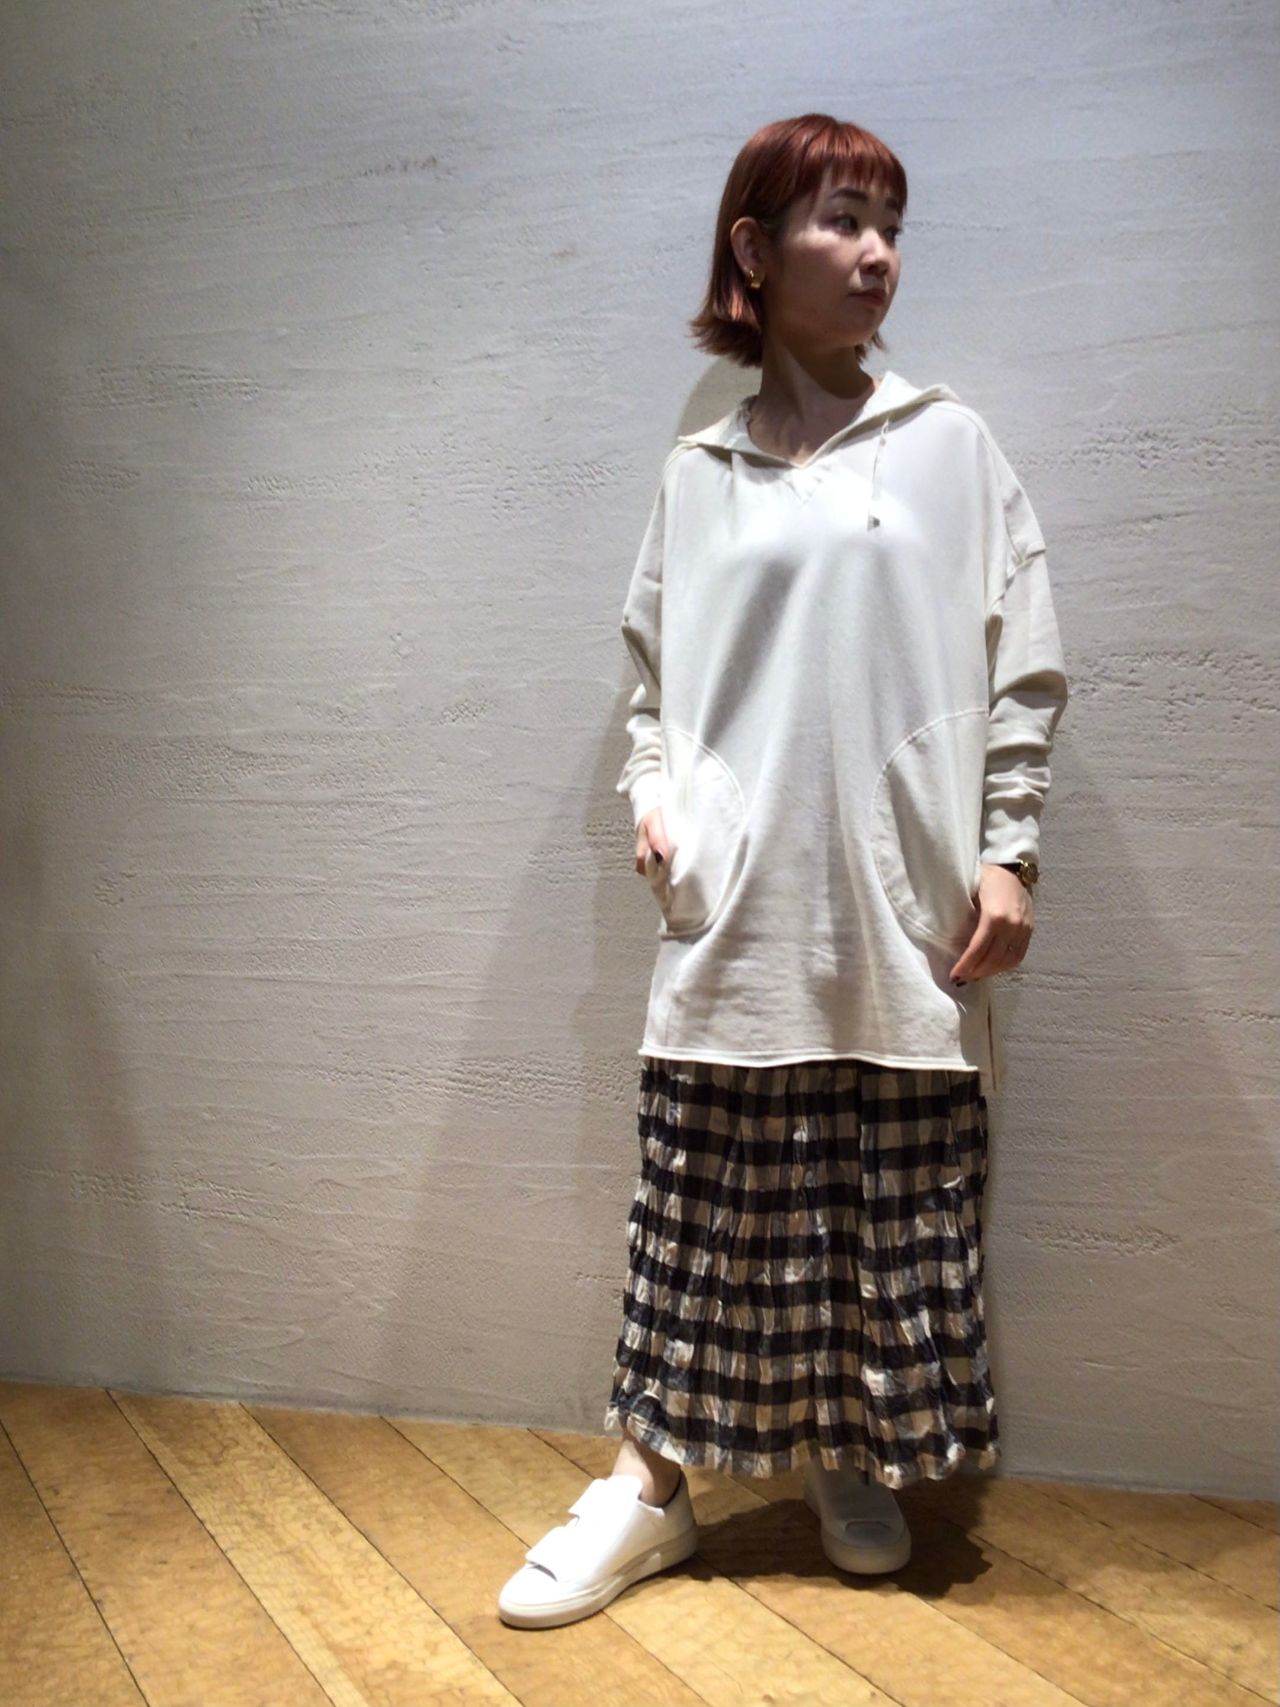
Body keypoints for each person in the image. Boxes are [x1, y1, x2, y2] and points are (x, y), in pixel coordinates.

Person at [498, 112, 1069, 1629]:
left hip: (903, 906)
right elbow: (651, 683)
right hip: (740, 909)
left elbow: (1023, 666)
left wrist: (1008, 849)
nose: (878, 253)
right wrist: (654, 799)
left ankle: (845, 1454)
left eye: (891, 224)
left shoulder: (949, 447)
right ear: (754, 250)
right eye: (842, 220)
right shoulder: (698, 472)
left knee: (887, 1203)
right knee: (710, 1209)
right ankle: (647, 1490)